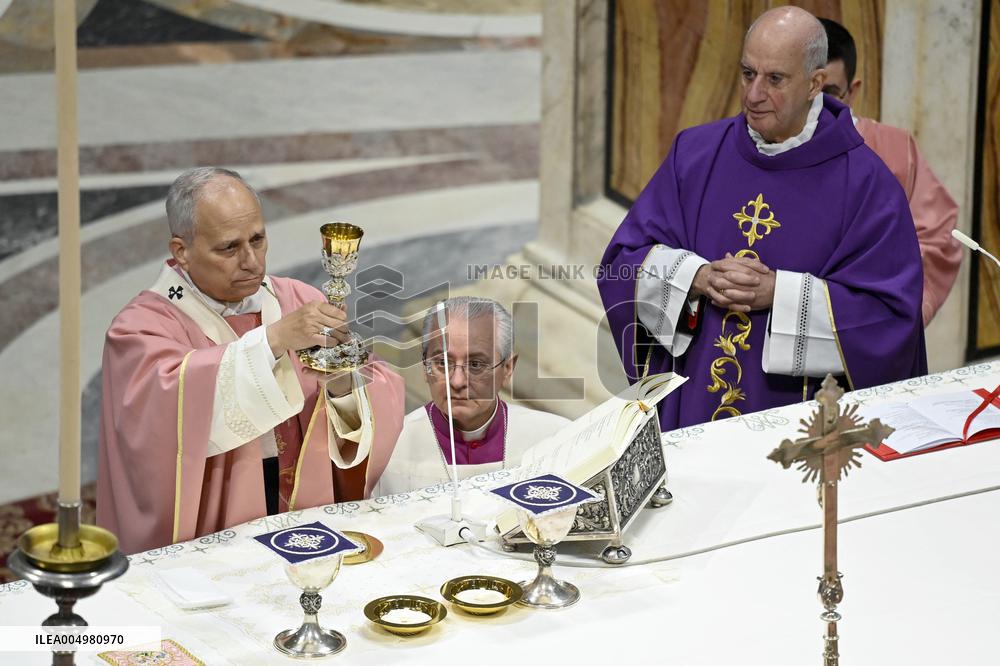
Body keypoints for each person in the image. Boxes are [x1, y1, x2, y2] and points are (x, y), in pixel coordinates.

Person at [598, 6, 926, 431]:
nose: (753, 94)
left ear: (815, 83)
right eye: (747, 73)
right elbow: (622, 261)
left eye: (775, 79)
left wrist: (783, 294)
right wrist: (695, 277)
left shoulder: (867, 186)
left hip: (799, 427)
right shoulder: (695, 155)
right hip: (690, 411)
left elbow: (891, 320)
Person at [97, 167, 405, 554]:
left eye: (258, 240)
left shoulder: (297, 298)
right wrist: (273, 341)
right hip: (210, 519)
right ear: (182, 251)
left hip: (301, 503)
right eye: (229, 248)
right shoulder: (141, 329)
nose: (252, 262)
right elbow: (161, 424)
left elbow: (372, 394)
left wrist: (344, 381)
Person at [819, 17, 961, 326]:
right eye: (808, 91)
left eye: (828, 93)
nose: (816, 107)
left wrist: (894, 311)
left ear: (852, 91)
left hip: (869, 327)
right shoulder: (764, 148)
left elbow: (937, 237)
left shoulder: (893, 149)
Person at [372, 297, 568, 496]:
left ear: (508, 368)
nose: (457, 382)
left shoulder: (555, 440)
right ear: (425, 367)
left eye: (475, 365)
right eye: (443, 363)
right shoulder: (388, 450)